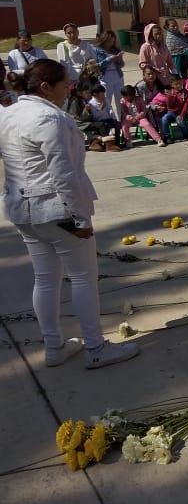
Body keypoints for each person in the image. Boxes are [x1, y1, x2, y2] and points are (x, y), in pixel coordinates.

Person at [0, 60, 140, 368]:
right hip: (54, 210)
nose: (68, 92)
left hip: (22, 210)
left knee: (46, 279)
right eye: (65, 86)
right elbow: (63, 175)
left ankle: (54, 347)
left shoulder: (9, 113)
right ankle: (95, 347)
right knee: (82, 277)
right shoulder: (50, 118)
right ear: (46, 87)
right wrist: (79, 219)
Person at [93, 29, 126, 120]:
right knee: (106, 100)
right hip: (105, 76)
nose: (111, 43)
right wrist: (109, 59)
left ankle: (122, 121)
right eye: (109, 41)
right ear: (104, 40)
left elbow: (122, 65)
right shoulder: (97, 50)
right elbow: (97, 66)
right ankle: (110, 121)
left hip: (117, 75)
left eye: (112, 41)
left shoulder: (115, 50)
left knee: (120, 100)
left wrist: (119, 59)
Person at [154, 76, 188, 142]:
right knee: (164, 119)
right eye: (176, 84)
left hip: (182, 113)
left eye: (180, 83)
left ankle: (186, 134)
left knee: (180, 122)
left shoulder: (186, 93)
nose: (179, 85)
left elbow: (186, 105)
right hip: (172, 112)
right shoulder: (170, 93)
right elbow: (169, 107)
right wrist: (169, 98)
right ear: (172, 85)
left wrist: (181, 115)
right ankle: (167, 136)